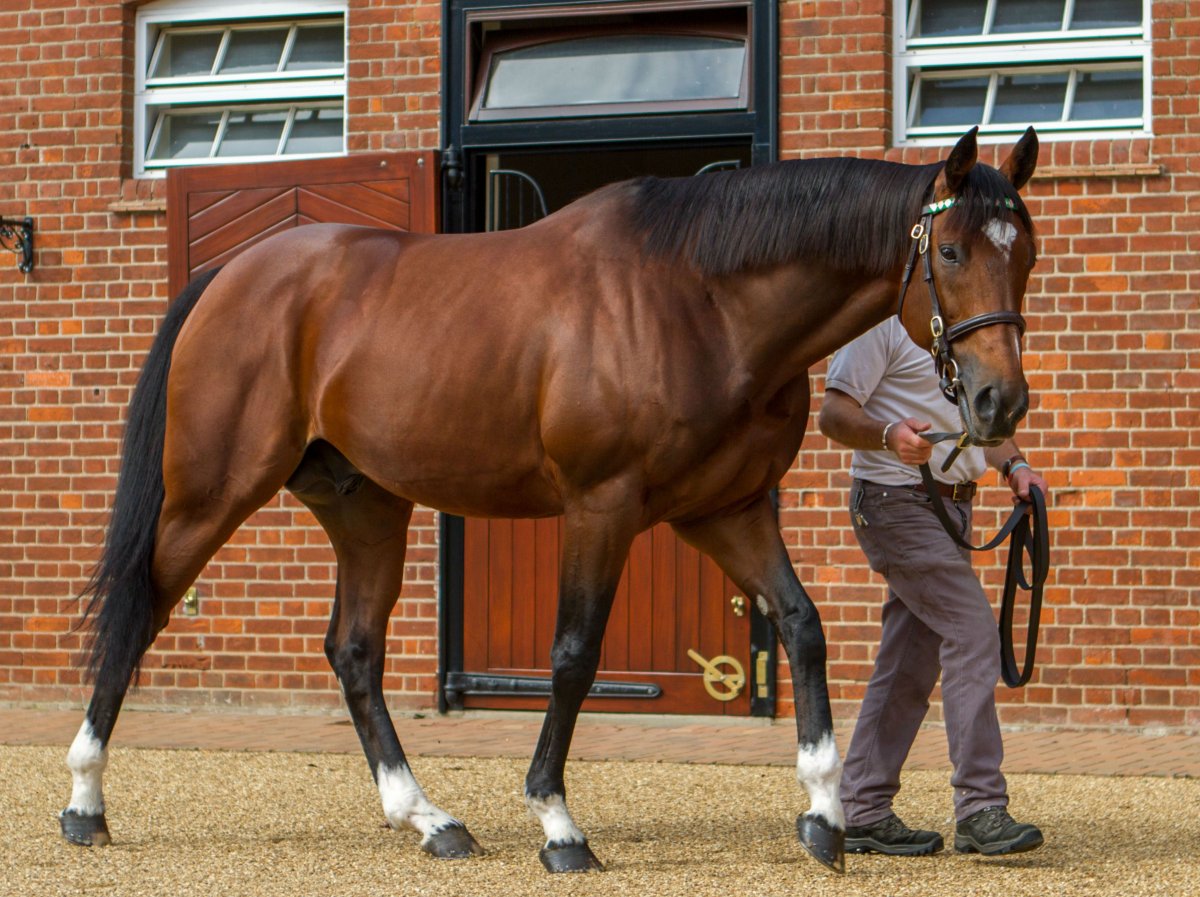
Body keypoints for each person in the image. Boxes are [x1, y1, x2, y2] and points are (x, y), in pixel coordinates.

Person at [817, 317, 1048, 857]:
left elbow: (982, 421)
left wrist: (1015, 465)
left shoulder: (963, 332)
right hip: (894, 502)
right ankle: (980, 807)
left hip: (952, 507)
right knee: (971, 633)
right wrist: (887, 434)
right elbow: (833, 413)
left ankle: (863, 809)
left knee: (909, 663)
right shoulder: (880, 327)